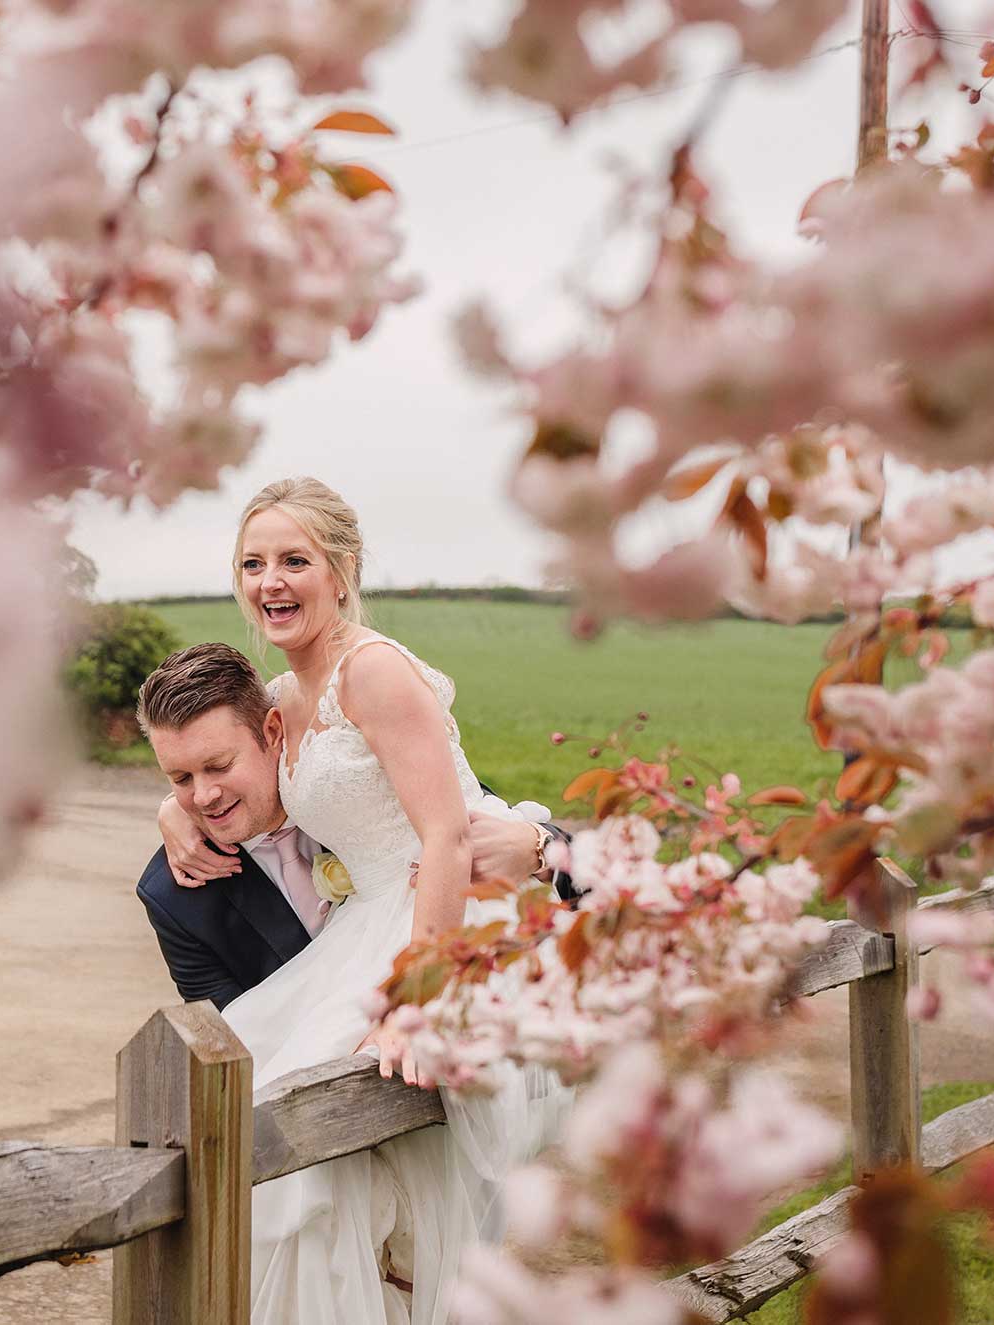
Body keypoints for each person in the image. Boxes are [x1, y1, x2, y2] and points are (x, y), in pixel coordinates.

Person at [188, 476, 567, 1325]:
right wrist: (174, 808)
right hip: (366, 927)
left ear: (342, 569)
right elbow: (250, 794)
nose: (270, 581)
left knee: (317, 1154)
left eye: (295, 560)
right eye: (253, 563)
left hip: (445, 923)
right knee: (259, 1120)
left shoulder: (377, 671)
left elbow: (444, 836)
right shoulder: (284, 699)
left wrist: (415, 1001)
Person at [133, 641, 571, 1008]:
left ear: (271, 733)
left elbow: (559, 854)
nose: (204, 796)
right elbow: (232, 1047)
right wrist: (174, 806)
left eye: (219, 765)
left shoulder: (358, 782)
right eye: (181, 778)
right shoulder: (175, 897)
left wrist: (536, 847)